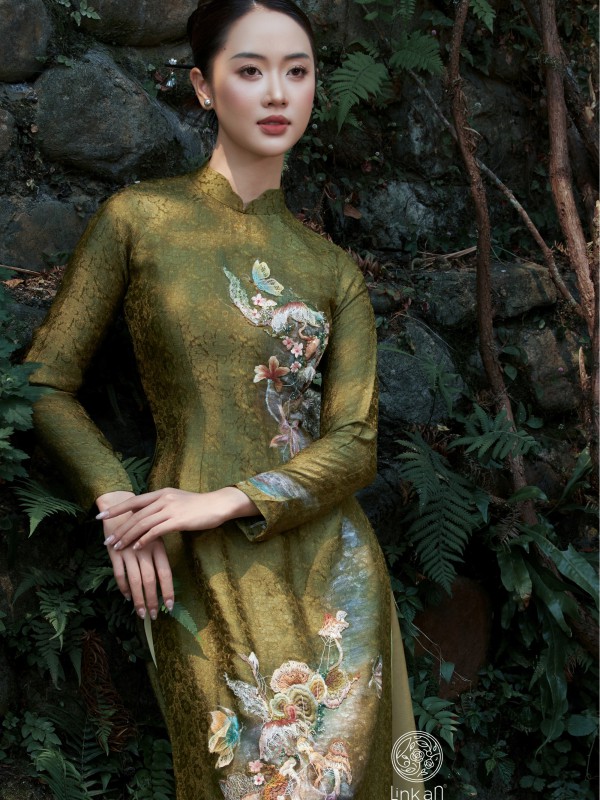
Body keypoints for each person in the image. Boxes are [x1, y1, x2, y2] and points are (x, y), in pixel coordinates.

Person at [26, 1, 423, 797]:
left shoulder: (332, 271)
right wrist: (119, 506)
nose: (277, 92)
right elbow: (44, 384)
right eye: (250, 70)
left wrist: (220, 502)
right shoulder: (139, 221)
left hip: (332, 578)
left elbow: (355, 445)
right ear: (204, 88)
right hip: (199, 570)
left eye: (297, 71)